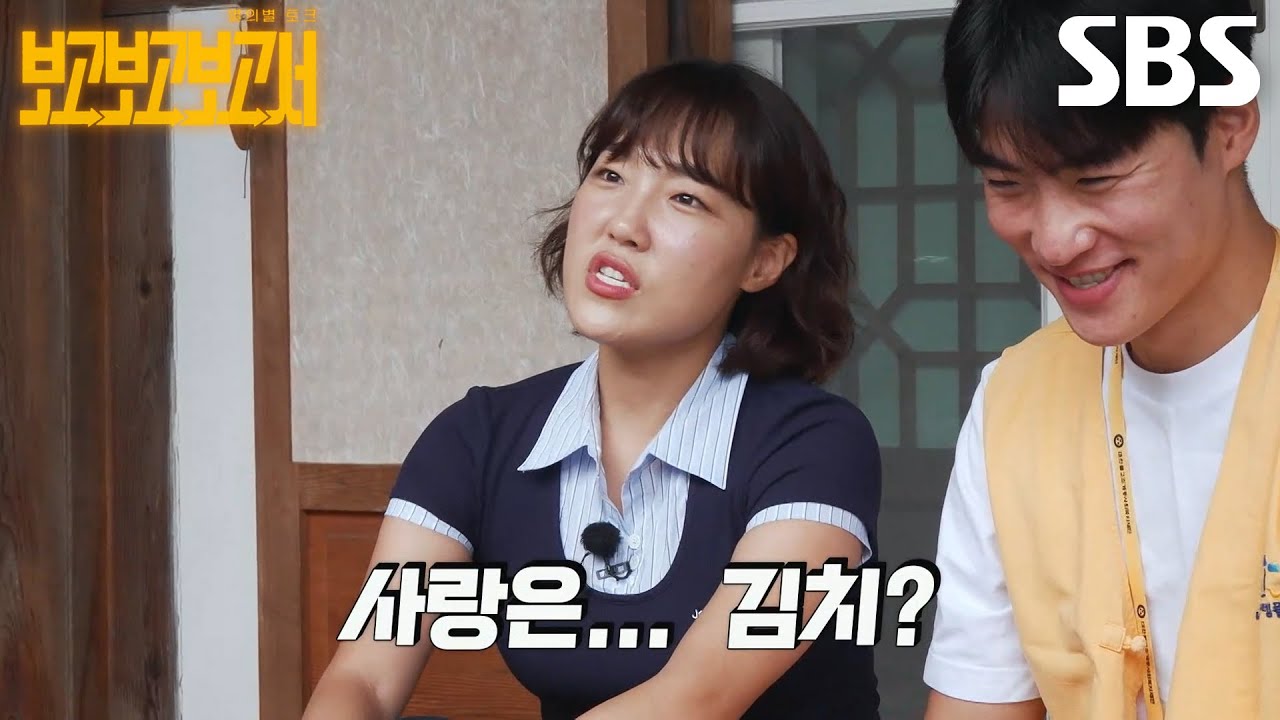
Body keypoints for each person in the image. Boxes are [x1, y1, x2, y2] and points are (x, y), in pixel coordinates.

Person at [302, 59, 883, 720]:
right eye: (611, 175)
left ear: (763, 261)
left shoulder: (815, 445)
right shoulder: (479, 436)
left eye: (686, 198)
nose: (624, 223)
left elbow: (697, 698)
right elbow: (365, 677)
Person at [922, 0, 1279, 718]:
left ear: (1229, 122)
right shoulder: (1015, 406)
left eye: (1098, 178)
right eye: (1007, 185)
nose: (1055, 241)